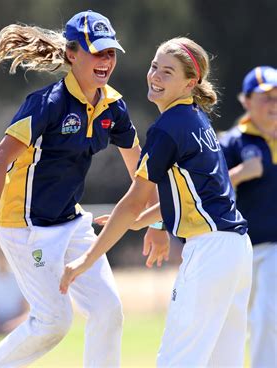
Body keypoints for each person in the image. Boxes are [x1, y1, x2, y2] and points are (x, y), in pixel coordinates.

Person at [0, 10, 169, 367]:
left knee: (109, 310)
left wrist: (155, 223)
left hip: (71, 222)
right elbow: (0, 159)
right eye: (97, 52)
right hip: (26, 227)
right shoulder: (48, 104)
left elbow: (140, 167)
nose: (106, 61)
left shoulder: (112, 105)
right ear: (72, 54)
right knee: (53, 322)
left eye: (110, 53)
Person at [60, 37, 253, 367]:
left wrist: (86, 260)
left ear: (190, 82)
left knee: (176, 361)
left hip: (209, 252)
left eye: (168, 72)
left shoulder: (168, 128)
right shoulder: (195, 119)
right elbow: (190, 197)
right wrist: (147, 222)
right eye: (154, 67)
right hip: (236, 251)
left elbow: (135, 200)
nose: (156, 77)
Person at [219, 66, 277, 368]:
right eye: (265, 97)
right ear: (246, 101)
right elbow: (207, 190)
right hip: (236, 251)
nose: (273, 104)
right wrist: (241, 174)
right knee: (231, 322)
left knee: (268, 317)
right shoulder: (232, 143)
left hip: (274, 250)